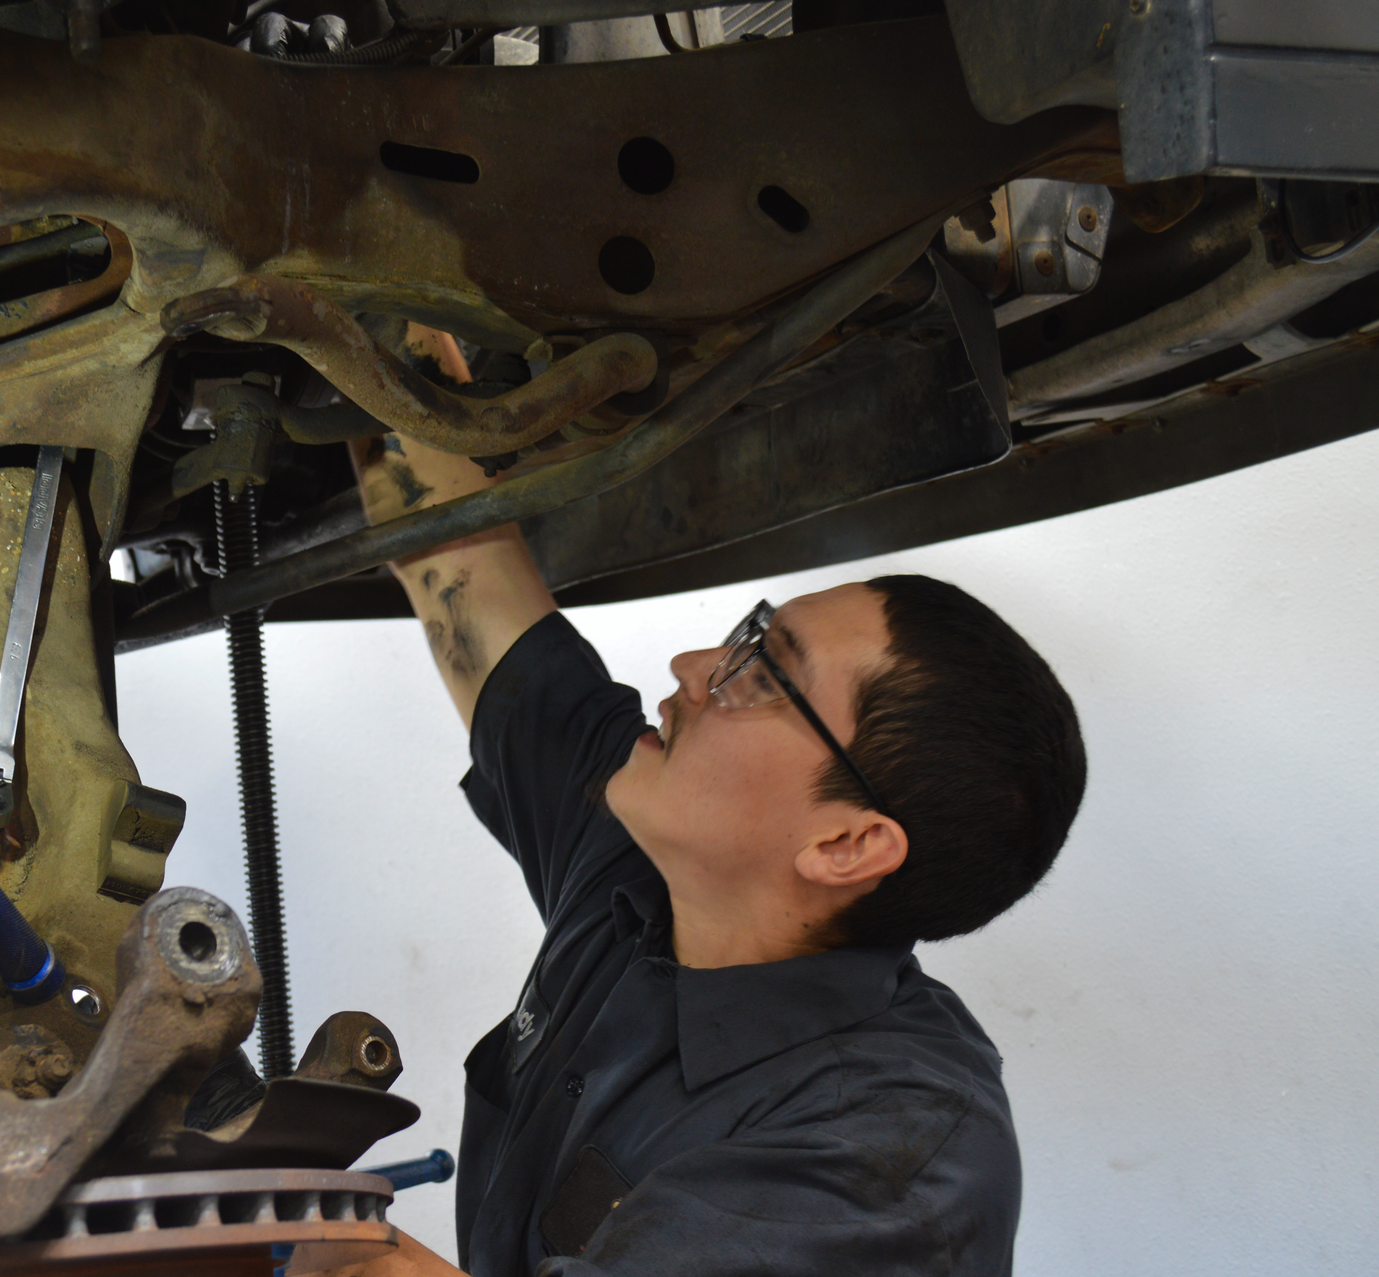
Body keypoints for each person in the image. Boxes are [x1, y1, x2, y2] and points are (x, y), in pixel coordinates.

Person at [313, 329, 1088, 1277]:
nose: (689, 669)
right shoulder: (640, 875)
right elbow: (463, 573)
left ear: (846, 842)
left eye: (762, 675)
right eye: (744, 637)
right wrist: (367, 350)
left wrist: (273, 1230)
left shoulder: (897, 1157)